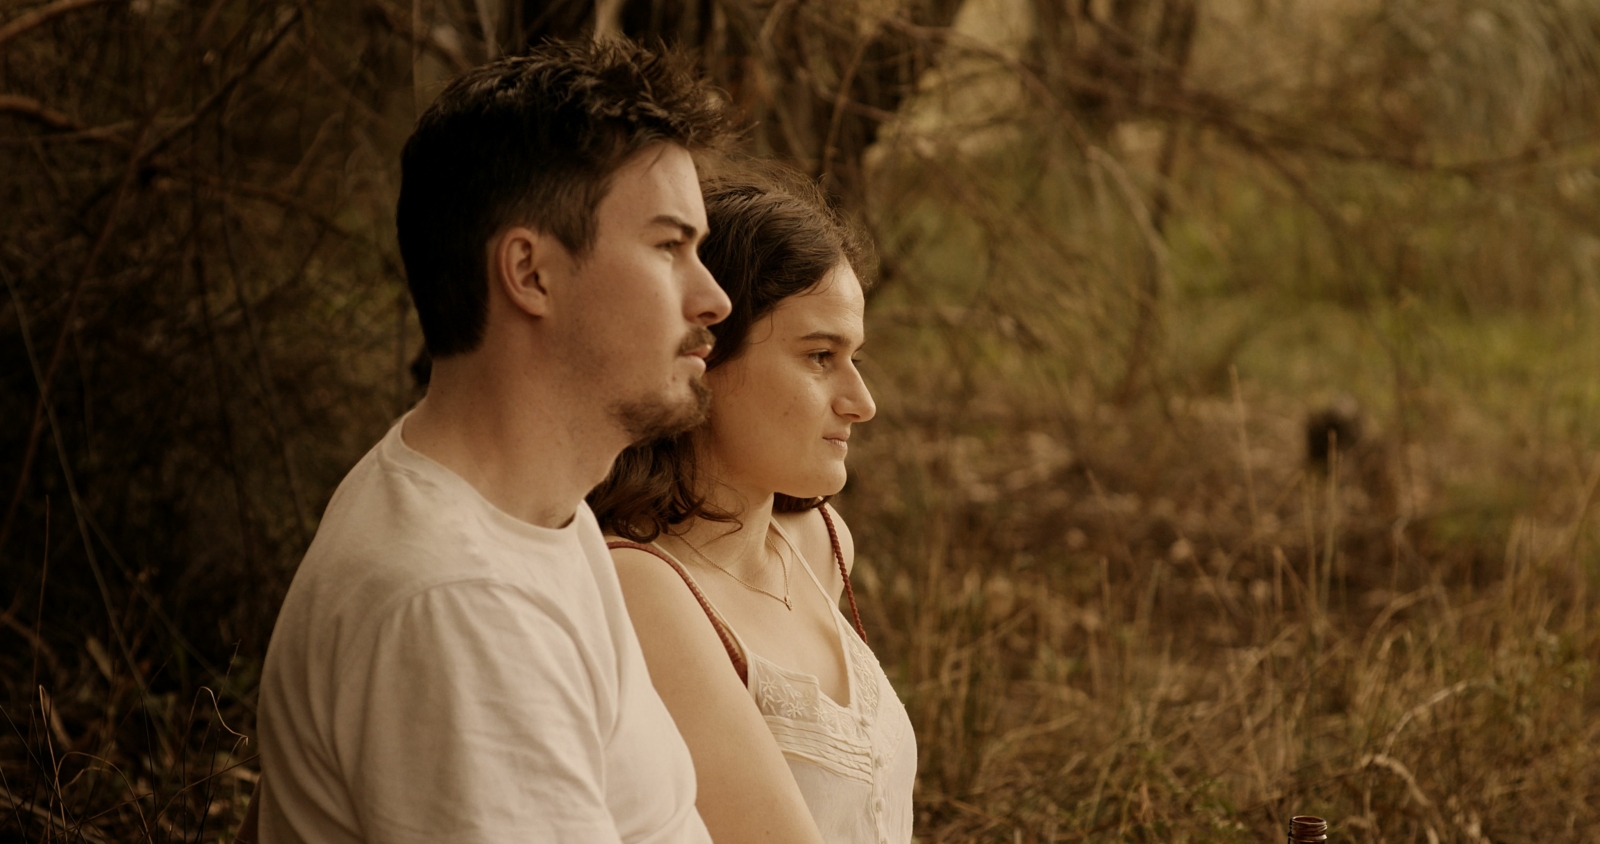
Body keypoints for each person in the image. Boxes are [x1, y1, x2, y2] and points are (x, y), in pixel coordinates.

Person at [251, 40, 732, 844]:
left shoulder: (534, 516)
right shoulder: (461, 602)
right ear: (530, 272)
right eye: (668, 246)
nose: (713, 297)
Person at [588, 166, 916, 844]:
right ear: (704, 357)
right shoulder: (643, 586)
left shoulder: (822, 544)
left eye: (855, 357)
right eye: (820, 356)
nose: (861, 402)